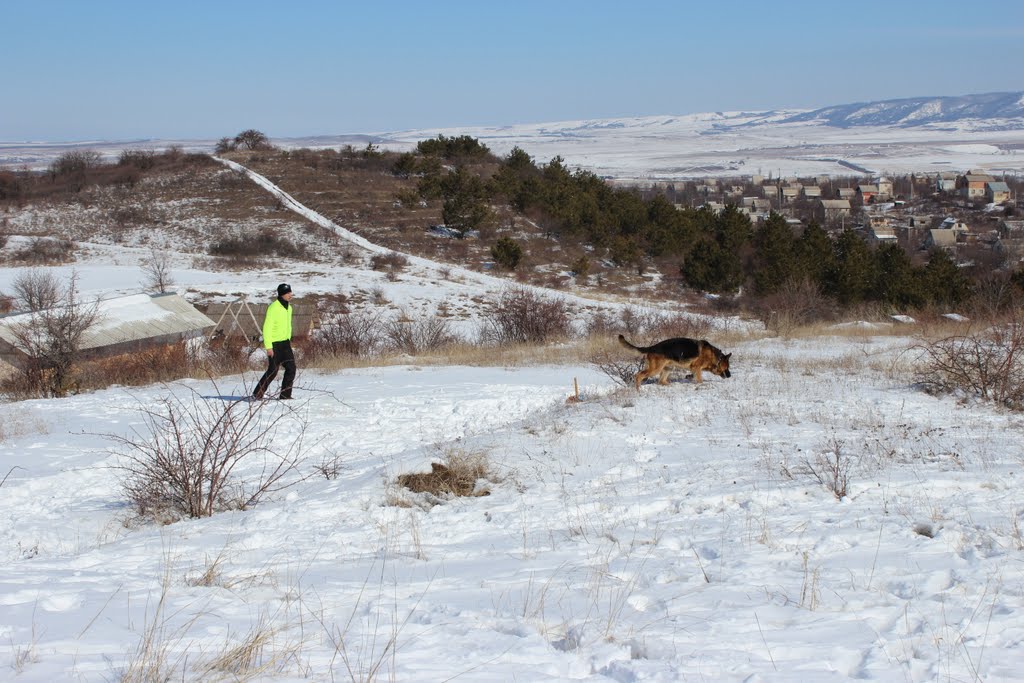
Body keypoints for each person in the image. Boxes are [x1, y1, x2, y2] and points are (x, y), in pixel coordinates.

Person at [253, 283, 296, 400]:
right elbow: (267, 328)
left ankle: (285, 395)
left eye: (290, 292)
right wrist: (268, 347)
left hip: (285, 343)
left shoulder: (289, 307)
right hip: (275, 344)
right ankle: (257, 393)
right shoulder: (274, 307)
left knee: (291, 369)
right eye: (287, 293)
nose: (290, 295)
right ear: (281, 294)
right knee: (273, 371)